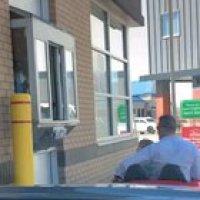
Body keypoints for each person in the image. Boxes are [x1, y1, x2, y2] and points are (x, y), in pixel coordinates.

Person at [114, 115, 200, 182]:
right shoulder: (192, 147)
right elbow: (197, 175)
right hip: (183, 194)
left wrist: (118, 177)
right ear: (174, 129)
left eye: (157, 128)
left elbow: (125, 165)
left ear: (160, 129)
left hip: (157, 193)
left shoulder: (154, 148)